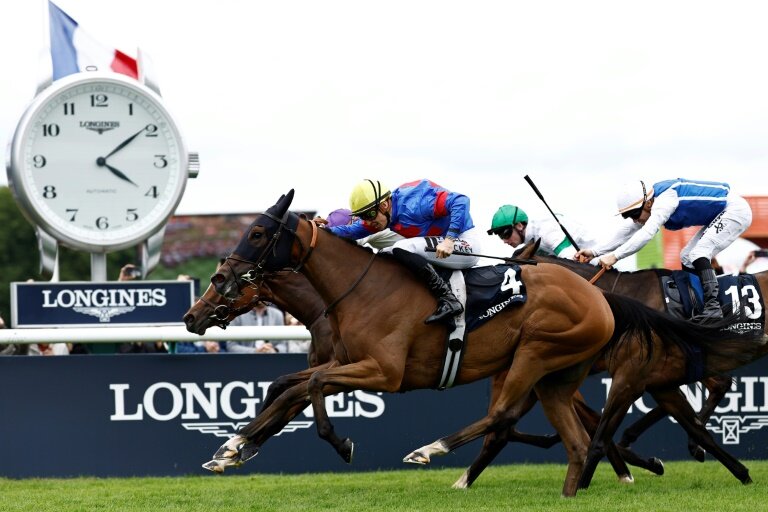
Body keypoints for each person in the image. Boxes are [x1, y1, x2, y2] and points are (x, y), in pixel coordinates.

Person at [574, 178, 753, 322]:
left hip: (735, 211)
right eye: (628, 216)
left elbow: (646, 234)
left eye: (635, 215)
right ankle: (700, 306)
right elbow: (627, 231)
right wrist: (595, 252)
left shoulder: (664, 201)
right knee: (687, 257)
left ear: (649, 204)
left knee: (699, 253)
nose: (634, 220)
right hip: (722, 213)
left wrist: (615, 256)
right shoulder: (649, 202)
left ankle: (713, 307)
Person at [327, 179, 482, 327]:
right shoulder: (382, 215)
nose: (366, 222)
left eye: (369, 215)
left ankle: (448, 299)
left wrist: (450, 239)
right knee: (384, 254)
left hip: (464, 241)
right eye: (362, 217)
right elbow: (349, 231)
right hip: (441, 243)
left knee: (401, 247)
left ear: (384, 205)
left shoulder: (415, 203)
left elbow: (461, 201)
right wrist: (316, 230)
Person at [487, 204, 598, 259]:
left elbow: (574, 261)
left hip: (603, 263)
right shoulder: (531, 240)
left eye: (505, 234)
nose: (505, 241)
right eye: (500, 236)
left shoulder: (546, 231)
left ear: (519, 226)